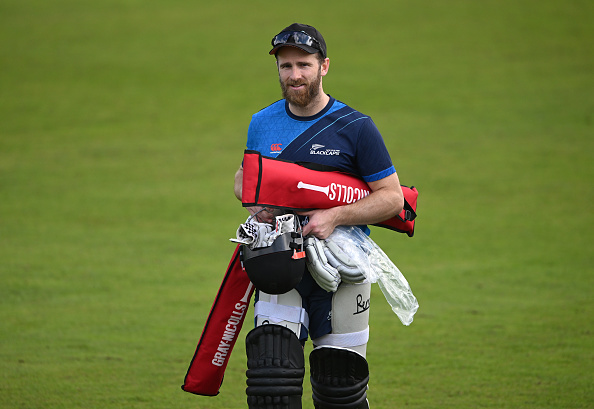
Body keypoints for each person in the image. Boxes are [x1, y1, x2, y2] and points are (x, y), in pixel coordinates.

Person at [233, 23, 404, 409]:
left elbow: (392, 199)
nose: (295, 75)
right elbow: (245, 183)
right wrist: (259, 207)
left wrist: (335, 217)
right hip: (280, 262)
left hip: (342, 269)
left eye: (304, 65)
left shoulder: (356, 127)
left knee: (338, 389)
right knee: (269, 383)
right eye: (286, 66)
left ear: (324, 66)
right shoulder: (262, 123)